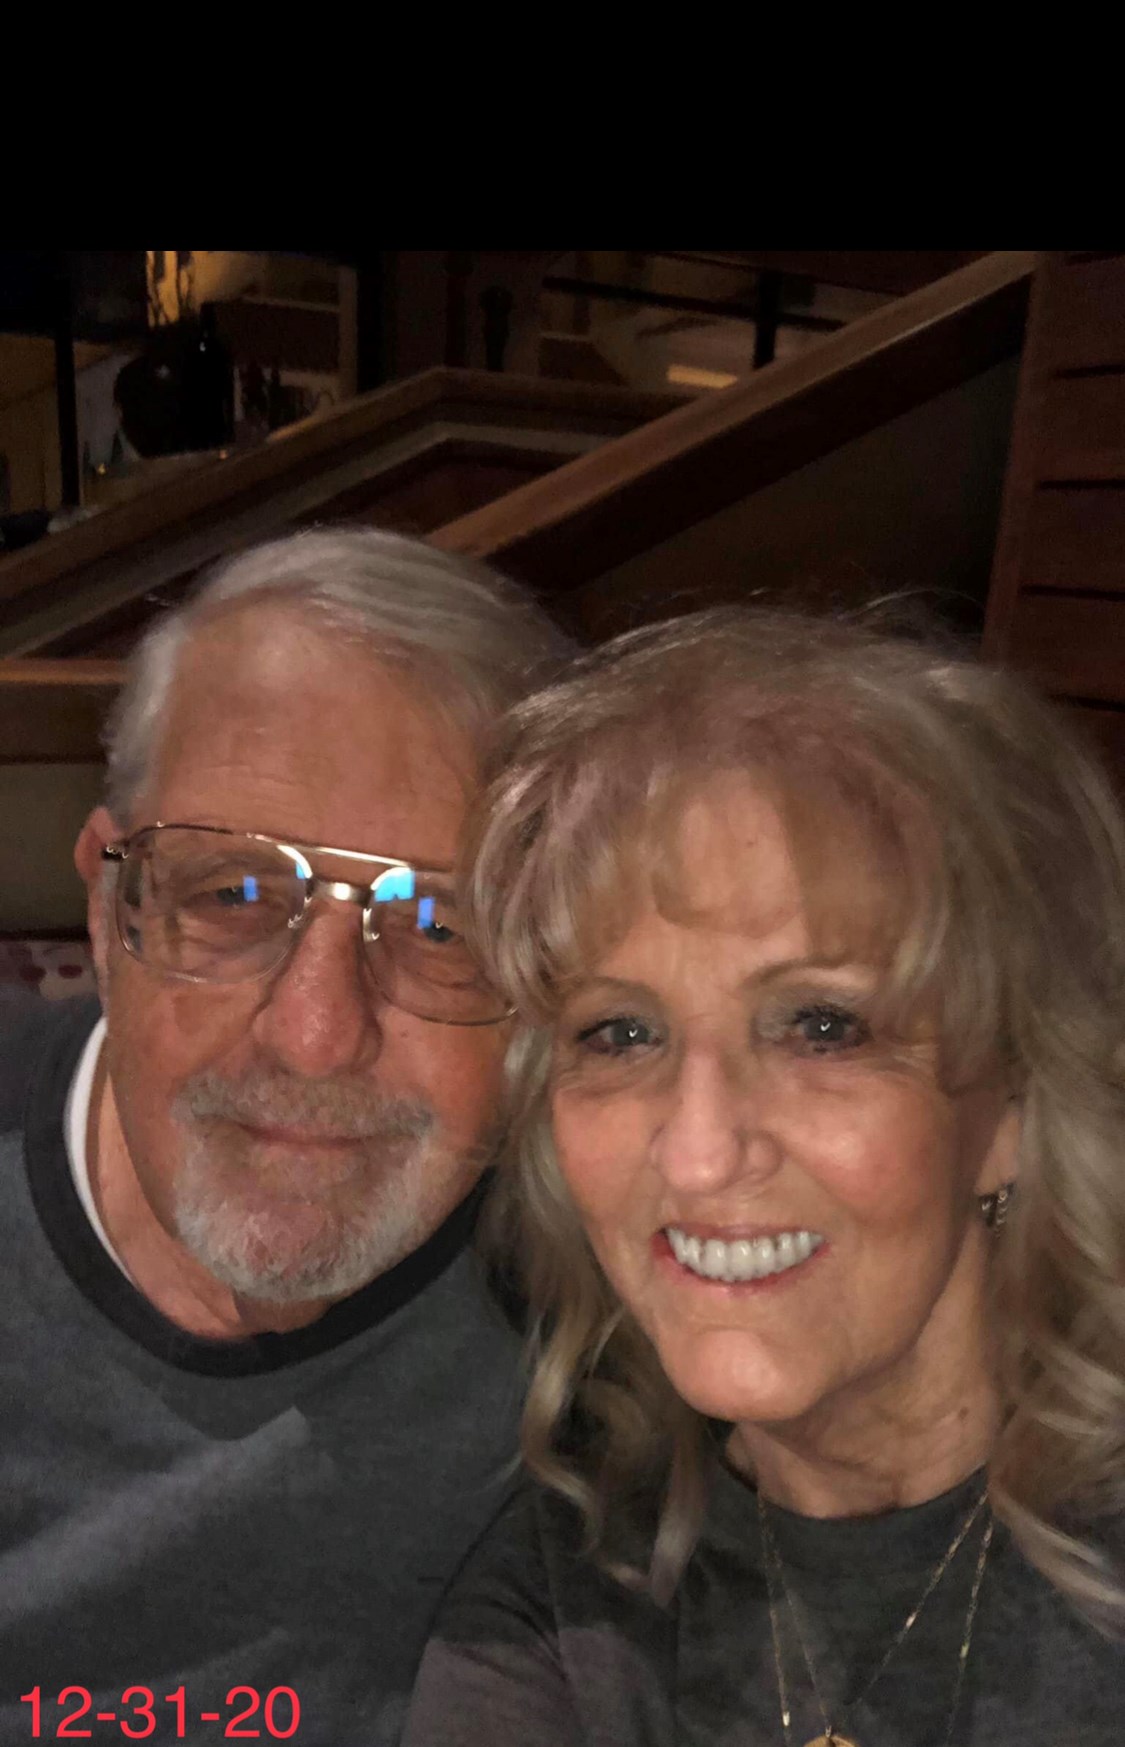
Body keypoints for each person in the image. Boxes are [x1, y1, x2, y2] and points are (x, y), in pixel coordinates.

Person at [405, 607, 1125, 1746]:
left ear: (1013, 1105)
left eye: (821, 1027)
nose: (699, 1153)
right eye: (621, 1034)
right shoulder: (557, 1615)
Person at [0, 528, 567, 1745]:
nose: (315, 1035)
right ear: (106, 904)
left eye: (440, 925)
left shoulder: (609, 1283)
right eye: (234, 894)